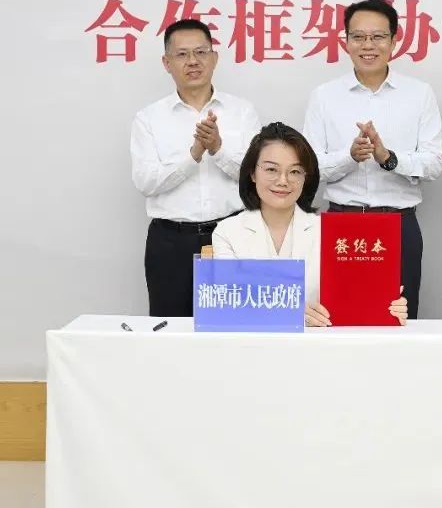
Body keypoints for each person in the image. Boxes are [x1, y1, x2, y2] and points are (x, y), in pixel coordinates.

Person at [303, 0, 442, 319]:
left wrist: (387, 158)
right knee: (337, 319)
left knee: (399, 319)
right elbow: (309, 168)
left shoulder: (419, 94)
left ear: (394, 41)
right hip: (341, 224)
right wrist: (349, 157)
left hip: (399, 225)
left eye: (378, 36)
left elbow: (434, 163)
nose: (368, 45)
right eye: (358, 37)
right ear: (346, 41)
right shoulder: (324, 96)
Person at [212, 123, 407, 326]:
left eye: (295, 171)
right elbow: (227, 304)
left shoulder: (329, 232)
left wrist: (387, 307)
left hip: (317, 343)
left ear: (306, 177)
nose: (283, 180)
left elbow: (353, 300)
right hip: (250, 343)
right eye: (271, 169)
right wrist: (292, 314)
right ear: (252, 173)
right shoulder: (227, 232)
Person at [130, 19, 260, 317]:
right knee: (171, 327)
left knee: (234, 324)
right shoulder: (149, 118)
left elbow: (256, 176)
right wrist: (194, 155)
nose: (193, 61)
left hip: (231, 234)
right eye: (182, 54)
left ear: (214, 58)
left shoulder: (242, 112)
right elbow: (146, 182)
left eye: (201, 52)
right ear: (167, 63)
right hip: (171, 242)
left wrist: (218, 149)